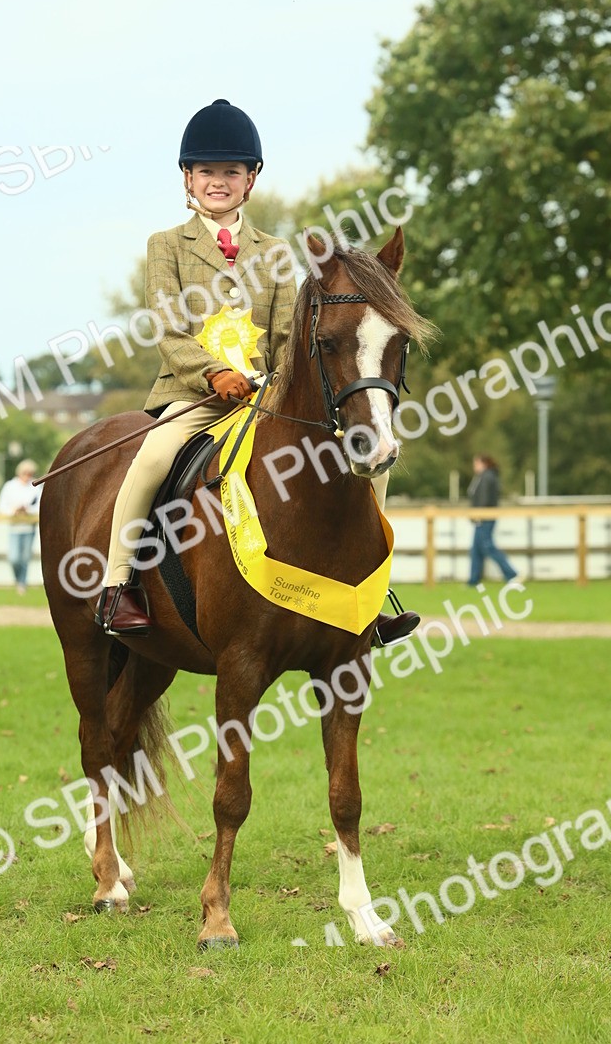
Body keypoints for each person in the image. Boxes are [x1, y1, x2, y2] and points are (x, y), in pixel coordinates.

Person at [96, 98, 419, 648]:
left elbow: (288, 336)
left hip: (263, 398)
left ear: (251, 179)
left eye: (230, 172)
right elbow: (170, 333)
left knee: (374, 464)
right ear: (187, 179)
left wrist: (272, 380)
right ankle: (118, 582)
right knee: (150, 457)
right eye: (206, 172)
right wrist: (213, 373)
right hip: (191, 398)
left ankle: (368, 595)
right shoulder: (166, 246)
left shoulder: (273, 251)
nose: (217, 182)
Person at [467, 454, 517, 586]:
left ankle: (511, 574)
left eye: (476, 463)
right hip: (483, 516)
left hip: (485, 517)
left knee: (487, 547)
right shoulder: (486, 476)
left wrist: (479, 514)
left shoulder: (486, 477)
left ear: (483, 463)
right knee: (476, 550)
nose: (474, 466)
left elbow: (484, 497)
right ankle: (473, 580)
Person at [0, 459, 41, 594]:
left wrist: (28, 510)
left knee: (25, 557)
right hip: (14, 527)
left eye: (30, 473)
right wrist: (14, 510)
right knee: (14, 558)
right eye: (25, 473)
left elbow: (39, 506)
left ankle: (22, 584)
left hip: (29, 527)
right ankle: (19, 581)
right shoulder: (10, 486)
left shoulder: (35, 486)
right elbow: (1, 507)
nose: (27, 475)